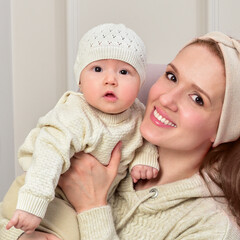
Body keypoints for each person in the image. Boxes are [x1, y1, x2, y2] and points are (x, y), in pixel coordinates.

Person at [1, 31, 240, 240]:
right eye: (172, 77)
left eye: (197, 99)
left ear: (223, 130)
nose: (165, 99)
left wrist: (92, 207)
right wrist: (20, 236)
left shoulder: (213, 228)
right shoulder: (106, 137)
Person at [3, 23, 159, 236]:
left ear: (140, 82)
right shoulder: (75, 113)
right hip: (44, 193)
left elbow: (148, 137)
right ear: (80, 80)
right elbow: (49, 154)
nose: (110, 80)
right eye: (97, 69)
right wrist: (32, 204)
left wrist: (145, 158)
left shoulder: (138, 114)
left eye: (124, 71)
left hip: (79, 201)